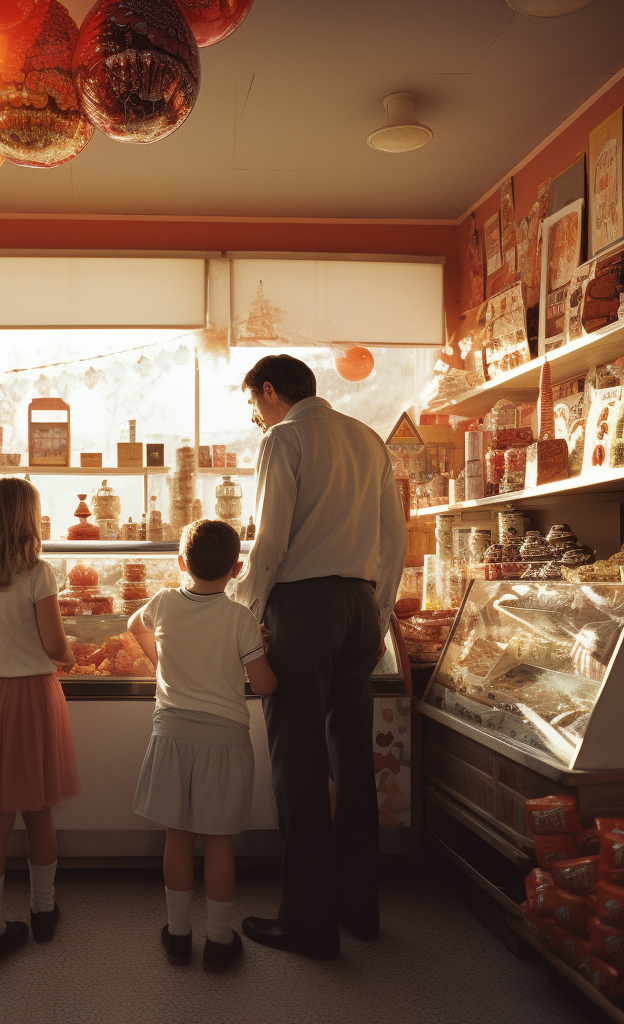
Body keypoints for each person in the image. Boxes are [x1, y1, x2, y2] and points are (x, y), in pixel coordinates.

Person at [233, 354, 407, 961]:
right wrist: (378, 612)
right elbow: (394, 537)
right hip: (360, 608)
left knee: (298, 765)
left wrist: (245, 612)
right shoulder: (366, 438)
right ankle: (359, 909)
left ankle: (307, 923)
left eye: (252, 402)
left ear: (272, 391)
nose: (253, 416)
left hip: (302, 611)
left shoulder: (284, 438)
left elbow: (269, 540)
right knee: (352, 760)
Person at [129, 519, 277, 973]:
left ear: (180, 563)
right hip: (224, 741)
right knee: (218, 844)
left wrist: (161, 664)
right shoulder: (240, 617)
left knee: (178, 837)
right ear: (236, 569)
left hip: (171, 734)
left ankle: (177, 936)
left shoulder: (165, 603)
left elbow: (135, 625)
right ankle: (217, 939)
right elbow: (265, 685)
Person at [0, 476, 79, 968]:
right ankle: (43, 912)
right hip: (33, 698)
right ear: (28, 518)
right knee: (39, 810)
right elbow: (54, 646)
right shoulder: (38, 572)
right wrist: (68, 658)